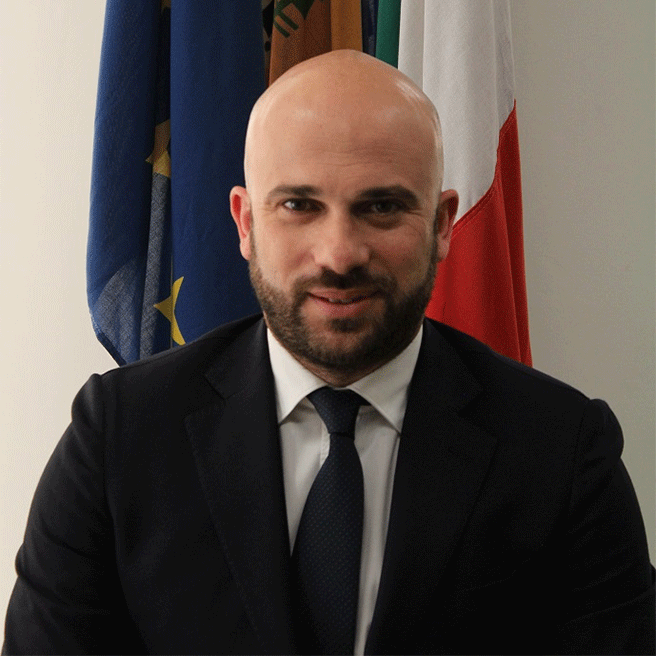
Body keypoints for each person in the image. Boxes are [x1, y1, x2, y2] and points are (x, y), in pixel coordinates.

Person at [3, 50, 653, 656]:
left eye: (382, 207)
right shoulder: (117, 437)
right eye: (299, 205)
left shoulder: (561, 452)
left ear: (442, 224)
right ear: (246, 223)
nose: (339, 254)